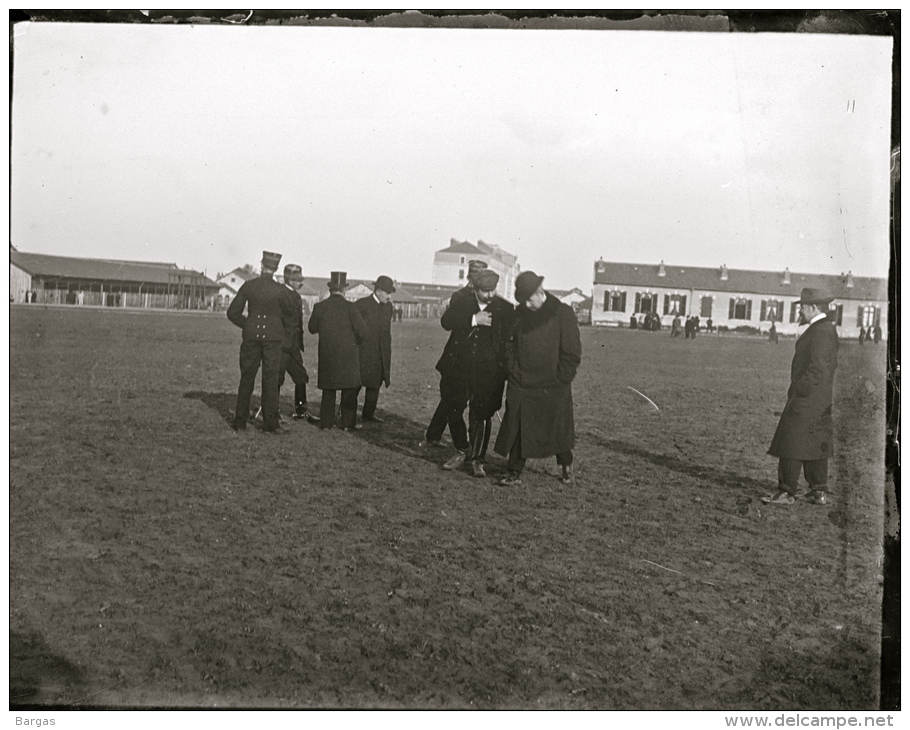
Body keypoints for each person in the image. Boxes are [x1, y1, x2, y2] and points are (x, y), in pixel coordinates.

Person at [495, 271, 582, 487]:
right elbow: (509, 344)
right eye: (522, 299)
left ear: (540, 292)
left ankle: (566, 467)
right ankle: (513, 471)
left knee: (557, 427)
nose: (526, 303)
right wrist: (513, 369)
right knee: (518, 423)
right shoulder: (520, 315)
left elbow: (572, 352)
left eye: (529, 298)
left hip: (553, 383)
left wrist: (561, 378)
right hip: (523, 382)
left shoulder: (562, 313)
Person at [763, 288, 839, 506]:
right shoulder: (824, 329)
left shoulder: (821, 331)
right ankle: (818, 490)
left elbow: (819, 368)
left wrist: (799, 389)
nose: (800, 312)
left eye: (802, 307)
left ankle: (786, 491)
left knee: (791, 440)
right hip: (819, 398)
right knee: (815, 440)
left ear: (814, 307)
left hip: (808, 397)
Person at [437, 269, 514, 478]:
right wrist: (473, 319)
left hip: (489, 372)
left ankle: (477, 460)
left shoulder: (506, 309)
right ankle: (461, 449)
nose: (490, 295)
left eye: (493, 290)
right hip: (458, 369)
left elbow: (510, 341)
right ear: (475, 288)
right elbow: (446, 323)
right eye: (485, 291)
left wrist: (505, 368)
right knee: (452, 408)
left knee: (482, 415)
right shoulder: (462, 302)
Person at [227, 250, 295, 434]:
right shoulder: (280, 290)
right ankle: (270, 424)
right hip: (273, 339)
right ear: (276, 269)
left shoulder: (249, 286)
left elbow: (232, 313)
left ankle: (240, 421)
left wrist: (248, 324)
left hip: (251, 337)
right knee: (270, 380)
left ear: (261, 266)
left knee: (247, 377)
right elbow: (290, 312)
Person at [424, 260, 489, 450]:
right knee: (454, 402)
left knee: (453, 401)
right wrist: (474, 320)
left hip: (477, 360)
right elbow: (448, 322)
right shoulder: (460, 296)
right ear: (470, 276)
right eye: (476, 275)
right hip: (457, 358)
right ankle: (458, 444)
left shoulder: (490, 298)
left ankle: (434, 434)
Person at [307, 272, 367, 431]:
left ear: (330, 289)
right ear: (344, 290)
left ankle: (326, 423)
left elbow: (312, 329)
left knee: (329, 390)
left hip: (328, 355)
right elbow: (362, 331)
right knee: (349, 390)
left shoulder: (319, 307)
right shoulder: (351, 307)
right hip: (348, 356)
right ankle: (347, 425)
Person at [278, 263, 319, 424]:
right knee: (277, 379)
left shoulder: (296, 296)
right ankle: (272, 411)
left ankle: (301, 411)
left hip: (293, 346)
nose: (299, 282)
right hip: (281, 346)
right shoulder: (280, 294)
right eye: (296, 279)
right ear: (288, 279)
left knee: (301, 376)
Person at [355, 275, 395, 424]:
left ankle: (368, 414)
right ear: (378, 290)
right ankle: (347, 413)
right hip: (363, 352)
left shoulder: (388, 307)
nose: (390, 297)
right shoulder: (362, 304)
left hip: (381, 352)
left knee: (375, 385)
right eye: (387, 293)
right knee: (356, 385)